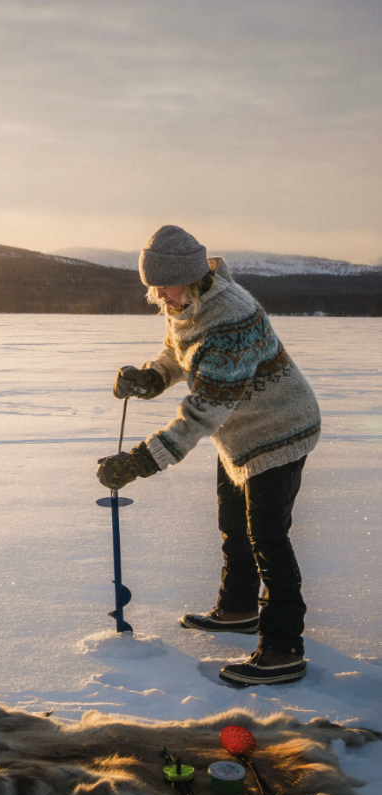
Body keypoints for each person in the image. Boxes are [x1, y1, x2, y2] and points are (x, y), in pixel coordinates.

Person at [96, 225, 321, 686]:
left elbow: (200, 416)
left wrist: (138, 462)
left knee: (268, 538)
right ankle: (238, 609)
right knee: (232, 522)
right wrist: (151, 378)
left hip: (280, 430)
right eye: (151, 287)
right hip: (239, 432)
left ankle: (283, 650)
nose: (158, 296)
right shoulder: (186, 302)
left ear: (188, 276)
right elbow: (177, 351)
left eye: (163, 286)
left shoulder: (230, 322)